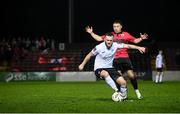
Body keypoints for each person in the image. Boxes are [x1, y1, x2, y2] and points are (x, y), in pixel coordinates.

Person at [85, 19, 148, 99]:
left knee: (131, 76)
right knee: (118, 77)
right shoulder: (110, 35)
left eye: (117, 26)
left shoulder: (126, 34)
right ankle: (121, 94)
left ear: (121, 27)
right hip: (115, 59)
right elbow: (99, 39)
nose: (116, 28)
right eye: (114, 26)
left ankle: (137, 92)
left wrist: (141, 38)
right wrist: (91, 33)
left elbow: (135, 41)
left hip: (125, 58)